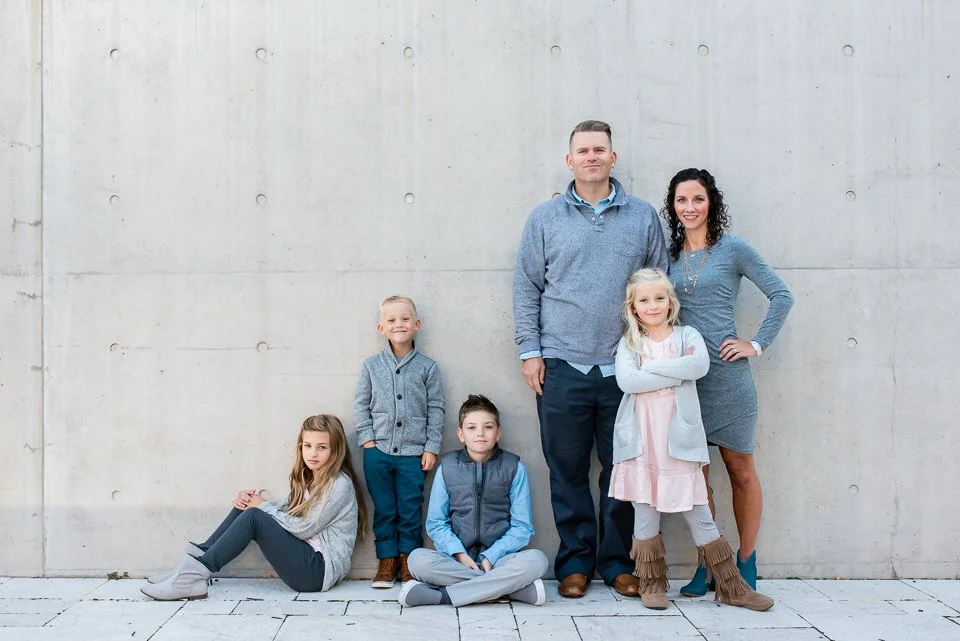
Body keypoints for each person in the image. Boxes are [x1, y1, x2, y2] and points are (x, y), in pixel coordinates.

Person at [513, 119, 668, 598]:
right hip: (561, 365)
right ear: (570, 160)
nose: (592, 157)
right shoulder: (545, 218)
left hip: (627, 367)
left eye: (600, 149)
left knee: (624, 468)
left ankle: (617, 562)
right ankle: (575, 564)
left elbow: (659, 285)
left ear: (612, 158)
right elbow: (526, 287)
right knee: (567, 469)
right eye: (583, 150)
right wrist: (530, 351)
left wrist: (653, 355)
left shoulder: (642, 216)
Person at [661, 168, 794, 594]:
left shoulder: (732, 249)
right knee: (697, 478)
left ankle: (746, 560)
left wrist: (756, 344)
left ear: (711, 203)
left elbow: (782, 295)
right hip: (687, 381)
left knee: (740, 471)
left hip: (729, 379)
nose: (690, 208)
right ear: (673, 207)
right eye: (682, 201)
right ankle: (709, 562)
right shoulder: (668, 257)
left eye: (698, 199)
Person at [610, 268, 773, 611]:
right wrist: (671, 369)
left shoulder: (687, 336)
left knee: (698, 510)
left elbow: (698, 366)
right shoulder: (629, 343)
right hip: (641, 442)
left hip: (679, 441)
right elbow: (627, 381)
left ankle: (731, 585)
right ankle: (651, 583)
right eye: (644, 300)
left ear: (670, 301)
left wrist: (649, 370)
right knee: (645, 510)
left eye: (659, 298)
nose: (653, 305)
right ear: (633, 307)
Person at [141, 414, 368, 599]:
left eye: (322, 447)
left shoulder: (339, 485)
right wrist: (253, 502)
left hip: (317, 572)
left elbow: (304, 528)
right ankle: (189, 569)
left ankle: (191, 577)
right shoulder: (309, 479)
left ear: (335, 450)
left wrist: (261, 508)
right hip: (305, 559)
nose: (313, 453)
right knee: (249, 508)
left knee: (255, 517)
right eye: (307, 446)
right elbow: (287, 511)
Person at [398, 394, 548, 607]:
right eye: (471, 428)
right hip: (455, 561)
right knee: (417, 560)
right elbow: (436, 523)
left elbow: (522, 527)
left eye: (487, 427)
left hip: (500, 561)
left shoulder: (514, 467)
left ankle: (444, 596)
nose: (479, 433)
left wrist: (491, 556)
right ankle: (513, 591)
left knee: (537, 561)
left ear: (498, 432)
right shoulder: (447, 468)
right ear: (460, 434)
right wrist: (459, 555)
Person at [354, 295, 445, 588]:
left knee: (409, 507)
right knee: (384, 507)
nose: (399, 325)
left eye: (405, 319)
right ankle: (386, 560)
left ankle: (409, 560)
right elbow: (361, 404)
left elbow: (436, 408)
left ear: (416, 324)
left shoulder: (428, 368)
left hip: (413, 453)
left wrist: (431, 446)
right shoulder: (371, 366)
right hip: (377, 451)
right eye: (391, 320)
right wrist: (367, 439)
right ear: (381, 327)